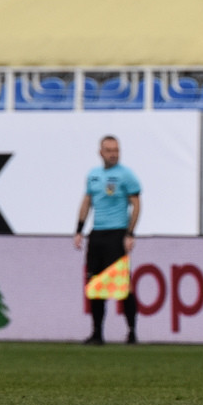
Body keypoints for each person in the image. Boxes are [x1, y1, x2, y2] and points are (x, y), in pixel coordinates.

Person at [74, 135, 141, 345]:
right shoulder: (93, 175)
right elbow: (87, 202)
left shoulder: (126, 175)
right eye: (109, 150)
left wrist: (130, 233)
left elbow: (136, 205)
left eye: (116, 150)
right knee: (95, 284)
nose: (113, 154)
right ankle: (97, 333)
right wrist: (79, 230)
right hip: (97, 234)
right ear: (101, 152)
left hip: (116, 233)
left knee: (123, 284)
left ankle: (132, 332)